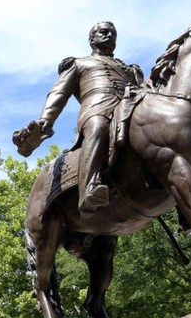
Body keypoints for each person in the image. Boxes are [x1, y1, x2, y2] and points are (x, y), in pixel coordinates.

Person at [32, 21, 142, 212]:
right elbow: (58, 93)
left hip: (128, 110)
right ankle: (88, 188)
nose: (109, 36)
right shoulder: (79, 64)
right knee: (99, 128)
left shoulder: (129, 69)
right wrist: (45, 120)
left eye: (113, 33)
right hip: (98, 109)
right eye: (104, 32)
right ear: (92, 39)